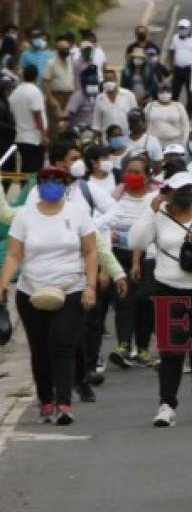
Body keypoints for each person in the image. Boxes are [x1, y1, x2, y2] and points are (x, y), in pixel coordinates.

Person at [128, 171, 192, 426]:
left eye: (189, 189)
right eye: (179, 191)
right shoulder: (159, 215)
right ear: (167, 194)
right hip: (168, 288)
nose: (185, 195)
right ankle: (167, 404)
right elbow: (135, 241)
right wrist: (150, 211)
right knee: (171, 349)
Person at [0, 166, 98, 425]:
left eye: (57, 180)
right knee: (40, 348)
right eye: (46, 181)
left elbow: (90, 251)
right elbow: (13, 254)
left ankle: (64, 403)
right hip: (31, 291)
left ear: (66, 185)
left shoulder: (78, 213)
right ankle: (46, 400)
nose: (51, 185)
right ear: (38, 186)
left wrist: (90, 286)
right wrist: (1, 285)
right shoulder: (25, 216)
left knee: (62, 345)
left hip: (70, 289)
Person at [107, 153, 159, 370]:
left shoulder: (154, 199)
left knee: (145, 302)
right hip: (119, 256)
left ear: (147, 176)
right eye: (129, 172)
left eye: (137, 172)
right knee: (124, 301)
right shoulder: (114, 198)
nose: (132, 176)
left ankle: (144, 348)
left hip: (147, 257)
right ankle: (123, 346)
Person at [10, 65, 48, 176]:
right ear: (36, 76)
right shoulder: (34, 91)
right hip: (33, 138)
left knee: (25, 169)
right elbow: (37, 115)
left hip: (20, 136)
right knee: (33, 171)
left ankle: (25, 191)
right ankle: (29, 192)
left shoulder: (15, 92)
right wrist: (43, 135)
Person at [43, 39, 75, 142]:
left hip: (70, 96)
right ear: (58, 50)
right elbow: (46, 82)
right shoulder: (51, 63)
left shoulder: (71, 61)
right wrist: (50, 99)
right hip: (56, 96)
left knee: (68, 123)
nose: (66, 51)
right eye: (63, 49)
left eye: (67, 49)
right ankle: (55, 148)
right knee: (55, 125)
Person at [168, 19, 192, 111]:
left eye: (184, 28)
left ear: (189, 28)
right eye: (180, 28)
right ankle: (173, 110)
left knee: (190, 93)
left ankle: (189, 113)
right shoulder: (175, 38)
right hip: (178, 69)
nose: (182, 30)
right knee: (174, 92)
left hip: (190, 69)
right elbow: (171, 51)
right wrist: (172, 66)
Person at [93, 67, 137, 138]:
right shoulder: (99, 98)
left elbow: (135, 118)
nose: (108, 82)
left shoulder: (129, 95)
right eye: (106, 80)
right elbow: (96, 124)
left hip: (127, 138)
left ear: (116, 80)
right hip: (107, 141)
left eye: (110, 79)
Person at [145, 84, 190, 150]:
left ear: (171, 93)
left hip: (175, 143)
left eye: (167, 91)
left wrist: (184, 143)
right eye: (162, 92)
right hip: (153, 143)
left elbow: (186, 126)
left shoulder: (179, 106)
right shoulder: (150, 106)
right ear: (157, 93)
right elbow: (144, 124)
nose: (165, 94)